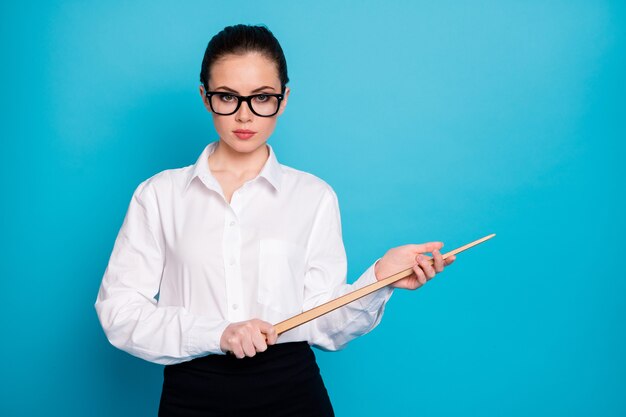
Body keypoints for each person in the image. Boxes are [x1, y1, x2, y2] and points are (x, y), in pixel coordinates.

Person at [95, 23, 455, 417]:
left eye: (262, 98)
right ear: (205, 97)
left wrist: (379, 279)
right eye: (227, 97)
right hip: (192, 393)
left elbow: (324, 325)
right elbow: (120, 311)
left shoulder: (314, 196)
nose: (244, 115)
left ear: (283, 99)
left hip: (292, 393)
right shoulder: (158, 195)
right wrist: (218, 334)